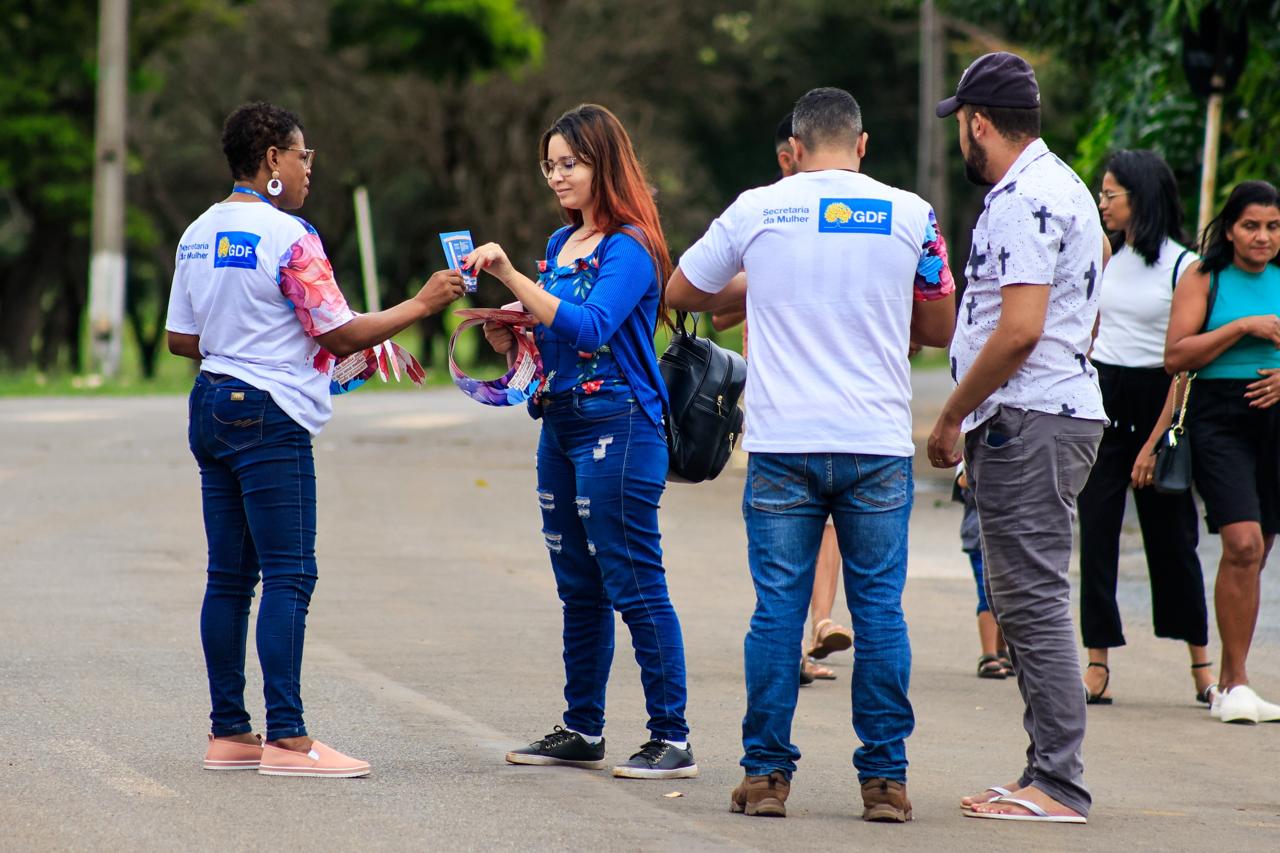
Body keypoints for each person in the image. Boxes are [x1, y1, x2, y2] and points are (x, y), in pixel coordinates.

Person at [669, 87, 955, 822]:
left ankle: (766, 777)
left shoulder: (758, 208)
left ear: (793, 148)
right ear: (862, 145)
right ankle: (885, 782)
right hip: (876, 446)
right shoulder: (913, 215)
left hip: (781, 445)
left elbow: (683, 289)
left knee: (776, 613)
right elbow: (940, 318)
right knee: (881, 613)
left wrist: (761, 279)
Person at [166, 102, 465, 777]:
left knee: (229, 577)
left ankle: (230, 734)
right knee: (290, 574)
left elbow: (182, 338)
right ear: (272, 158)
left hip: (211, 403)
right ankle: (289, 740)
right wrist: (422, 303)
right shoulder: (289, 235)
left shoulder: (196, 232)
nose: (308, 172)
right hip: (268, 415)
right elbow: (337, 332)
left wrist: (248, 336)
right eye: (304, 158)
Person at [466, 104, 697, 779]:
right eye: (550, 165)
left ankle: (671, 735)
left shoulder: (631, 247)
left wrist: (511, 278)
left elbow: (593, 327)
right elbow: (554, 333)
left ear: (604, 163)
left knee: (631, 576)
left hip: (621, 425)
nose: (557, 176)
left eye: (570, 163)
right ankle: (582, 726)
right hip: (561, 424)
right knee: (578, 583)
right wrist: (509, 332)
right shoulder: (559, 243)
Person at [927, 52, 1108, 824]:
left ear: (977, 123)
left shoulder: (1022, 199)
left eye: (960, 127)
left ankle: (1059, 782)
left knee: (1031, 599)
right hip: (1050, 412)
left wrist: (950, 415)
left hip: (1029, 417)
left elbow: (1022, 329)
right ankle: (1043, 770)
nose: (960, 142)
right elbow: (1081, 301)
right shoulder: (1064, 185)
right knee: (1026, 594)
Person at [710, 113, 854, 686]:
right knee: (784, 537)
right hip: (774, 403)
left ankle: (820, 625)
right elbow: (717, 310)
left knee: (828, 528)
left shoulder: (851, 220)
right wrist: (773, 273)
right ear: (787, 156)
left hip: (840, 403)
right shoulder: (764, 215)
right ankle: (797, 639)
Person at [1078, 149, 1215, 706]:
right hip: (1106, 398)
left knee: (1174, 537)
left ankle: (1203, 667)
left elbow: (1182, 363)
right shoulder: (1107, 253)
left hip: (1163, 400)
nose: (1103, 203)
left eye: (1111, 194)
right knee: (1096, 532)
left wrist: (1157, 441)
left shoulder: (1188, 265)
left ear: (1142, 197)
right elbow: (1095, 327)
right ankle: (1097, 662)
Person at [1164, 180, 1280, 725]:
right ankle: (1232, 684)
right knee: (1241, 542)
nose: (1262, 237)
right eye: (1251, 226)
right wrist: (1241, 327)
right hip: (1220, 418)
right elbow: (1176, 355)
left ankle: (1236, 679)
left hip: (1276, 417)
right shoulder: (1205, 278)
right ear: (1230, 229)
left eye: (1273, 227)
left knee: (1259, 551)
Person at [954, 468, 1010, 678]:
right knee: (987, 594)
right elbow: (963, 481)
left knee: (1007, 596)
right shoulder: (977, 444)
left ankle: (1001, 649)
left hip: (1011, 536)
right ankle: (989, 654)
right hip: (982, 538)